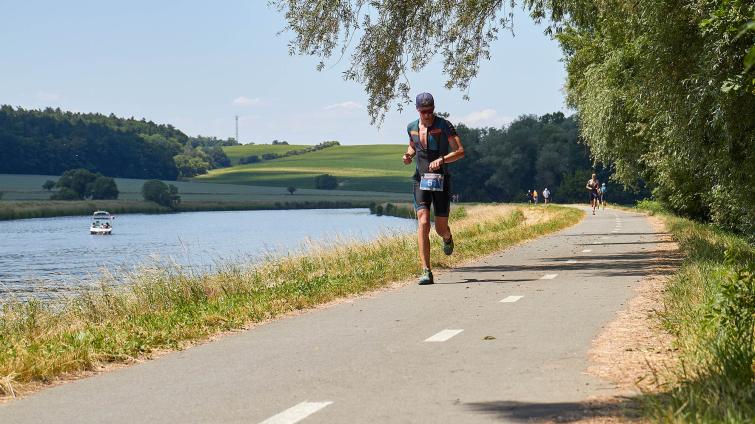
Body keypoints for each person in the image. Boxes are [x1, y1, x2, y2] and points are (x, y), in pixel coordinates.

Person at [403, 92, 465, 285]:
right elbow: (413, 146)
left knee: (439, 228)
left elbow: (460, 152)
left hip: (441, 181)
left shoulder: (444, 125)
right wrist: (408, 155)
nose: (427, 115)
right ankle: (426, 271)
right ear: (417, 110)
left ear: (434, 109)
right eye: (424, 112)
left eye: (430, 111)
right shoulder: (411, 127)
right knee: (423, 223)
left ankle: (447, 237)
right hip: (420, 180)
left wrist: (443, 159)